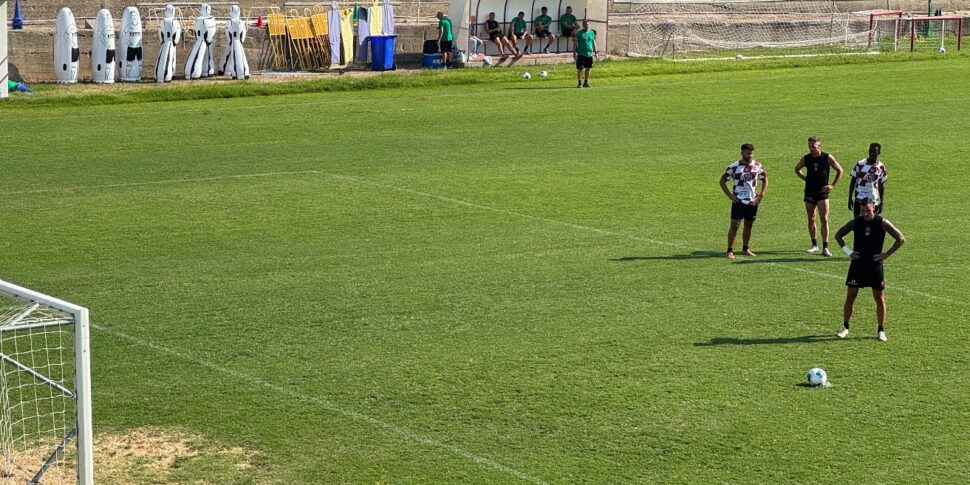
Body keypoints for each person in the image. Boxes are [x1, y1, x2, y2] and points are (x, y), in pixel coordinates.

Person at [834, 199, 905, 341]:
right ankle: (845, 327)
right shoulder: (856, 222)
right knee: (851, 296)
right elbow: (838, 235)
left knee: (879, 298)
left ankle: (881, 330)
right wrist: (848, 251)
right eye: (862, 211)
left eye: (868, 211)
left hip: (874, 265)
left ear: (875, 209)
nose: (865, 214)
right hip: (857, 265)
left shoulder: (882, 222)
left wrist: (886, 254)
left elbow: (900, 238)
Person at [794, 136, 843, 257]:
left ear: (819, 146)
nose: (811, 149)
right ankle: (814, 244)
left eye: (813, 146)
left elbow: (839, 170)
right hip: (810, 192)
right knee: (811, 218)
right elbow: (797, 169)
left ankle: (826, 247)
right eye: (809, 146)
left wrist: (832, 185)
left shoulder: (827, 157)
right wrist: (806, 179)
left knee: (824, 219)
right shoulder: (806, 159)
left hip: (822, 192)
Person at [719, 143, 768, 259]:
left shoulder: (757, 165)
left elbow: (765, 179)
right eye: (747, 153)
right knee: (735, 225)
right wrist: (730, 196)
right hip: (739, 201)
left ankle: (745, 248)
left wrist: (761, 194)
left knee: (749, 225)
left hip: (752, 201)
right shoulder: (734, 167)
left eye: (751, 153)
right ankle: (730, 250)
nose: (749, 156)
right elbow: (722, 181)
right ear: (742, 153)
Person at [847, 143, 888, 217]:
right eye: (870, 151)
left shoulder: (881, 167)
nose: (871, 153)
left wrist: (882, 202)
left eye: (874, 152)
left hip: (873, 200)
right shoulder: (860, 164)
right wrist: (850, 198)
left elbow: (881, 185)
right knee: (858, 225)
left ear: (878, 153)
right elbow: (853, 181)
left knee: (872, 225)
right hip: (859, 199)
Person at [575, 20, 596, 88]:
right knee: (580, 69)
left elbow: (593, 42)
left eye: (587, 25)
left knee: (588, 68)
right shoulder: (579, 33)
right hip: (581, 54)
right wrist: (574, 52)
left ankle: (586, 82)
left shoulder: (592, 33)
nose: (586, 26)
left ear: (589, 25)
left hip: (589, 54)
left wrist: (596, 52)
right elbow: (575, 43)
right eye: (585, 25)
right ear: (583, 25)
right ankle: (579, 82)